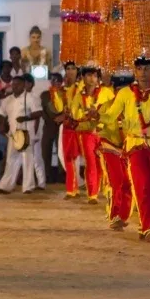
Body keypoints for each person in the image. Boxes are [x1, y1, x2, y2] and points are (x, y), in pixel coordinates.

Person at [95, 57, 150, 242]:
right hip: (135, 146)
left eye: (147, 69)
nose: (143, 73)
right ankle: (148, 227)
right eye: (139, 69)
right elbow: (110, 117)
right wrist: (97, 114)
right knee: (140, 185)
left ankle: (145, 226)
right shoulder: (125, 93)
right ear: (135, 71)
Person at [69, 66, 114, 204]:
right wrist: (87, 114)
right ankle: (92, 194)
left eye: (94, 76)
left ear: (98, 78)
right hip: (87, 133)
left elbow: (114, 109)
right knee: (91, 162)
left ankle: (108, 189)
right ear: (83, 78)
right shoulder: (78, 95)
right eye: (88, 75)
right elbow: (74, 114)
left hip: (104, 132)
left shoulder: (106, 92)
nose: (92, 79)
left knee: (105, 162)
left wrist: (100, 115)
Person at [97, 76, 132, 231]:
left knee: (128, 184)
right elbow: (99, 127)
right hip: (109, 147)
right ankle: (113, 216)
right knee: (116, 182)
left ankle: (122, 217)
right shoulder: (105, 107)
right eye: (120, 90)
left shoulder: (133, 108)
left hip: (127, 149)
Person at [0, 76, 42, 194]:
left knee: (27, 160)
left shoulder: (30, 97)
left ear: (24, 85)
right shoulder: (8, 99)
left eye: (18, 84)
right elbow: (1, 113)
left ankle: (28, 187)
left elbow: (38, 112)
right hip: (13, 134)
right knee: (11, 159)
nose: (15, 86)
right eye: (14, 84)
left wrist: (27, 117)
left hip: (26, 132)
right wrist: (1, 124)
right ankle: (6, 186)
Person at [53, 61, 85, 198]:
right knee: (65, 156)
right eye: (68, 69)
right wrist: (55, 93)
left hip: (82, 125)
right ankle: (75, 185)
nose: (71, 71)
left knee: (85, 157)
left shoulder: (82, 87)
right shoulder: (62, 89)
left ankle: (78, 187)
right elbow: (59, 108)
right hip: (67, 126)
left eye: (73, 68)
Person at [24, 74, 46, 190]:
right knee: (28, 158)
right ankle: (31, 183)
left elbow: (38, 115)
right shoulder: (21, 97)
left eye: (26, 82)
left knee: (36, 157)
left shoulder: (34, 97)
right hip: (25, 131)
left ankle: (41, 183)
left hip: (33, 130)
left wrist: (36, 133)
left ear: (30, 84)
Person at [41, 73, 64, 183]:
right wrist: (51, 119)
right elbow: (44, 110)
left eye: (58, 81)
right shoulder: (45, 95)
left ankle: (62, 175)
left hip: (62, 126)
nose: (55, 82)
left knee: (61, 151)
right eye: (53, 80)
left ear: (61, 82)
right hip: (49, 125)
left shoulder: (65, 94)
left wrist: (61, 118)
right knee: (45, 151)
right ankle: (47, 175)